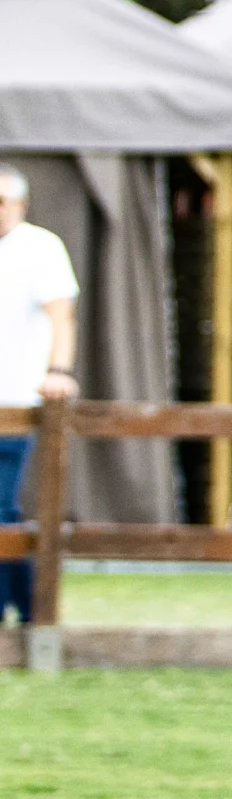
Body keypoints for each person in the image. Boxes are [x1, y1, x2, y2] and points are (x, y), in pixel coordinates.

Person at [0, 164, 79, 623]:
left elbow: (61, 315)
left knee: (3, 504)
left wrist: (59, 370)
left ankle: (30, 609)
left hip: (14, 399)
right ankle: (26, 608)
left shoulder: (39, 248)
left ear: (20, 206)